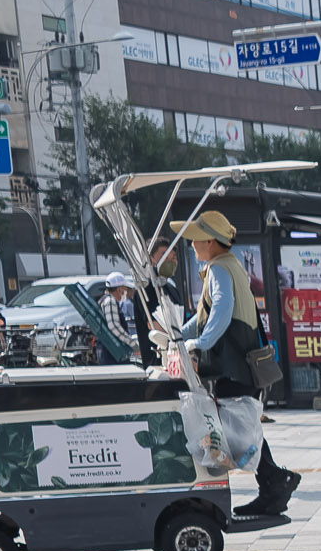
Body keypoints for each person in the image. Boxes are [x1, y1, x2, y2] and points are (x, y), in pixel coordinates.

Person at [172, 209, 302, 516]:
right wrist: (179, 334)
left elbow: (222, 309)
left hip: (233, 365)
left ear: (211, 241)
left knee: (237, 430)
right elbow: (205, 316)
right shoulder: (229, 265)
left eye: (196, 239)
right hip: (240, 364)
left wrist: (200, 343)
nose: (191, 246)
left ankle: (275, 480)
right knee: (243, 428)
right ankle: (274, 483)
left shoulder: (219, 269)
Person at [98, 272, 146, 366]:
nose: (126, 292)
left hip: (110, 351)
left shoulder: (106, 300)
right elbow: (113, 326)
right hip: (111, 353)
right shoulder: (110, 301)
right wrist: (133, 344)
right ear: (119, 289)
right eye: (125, 289)